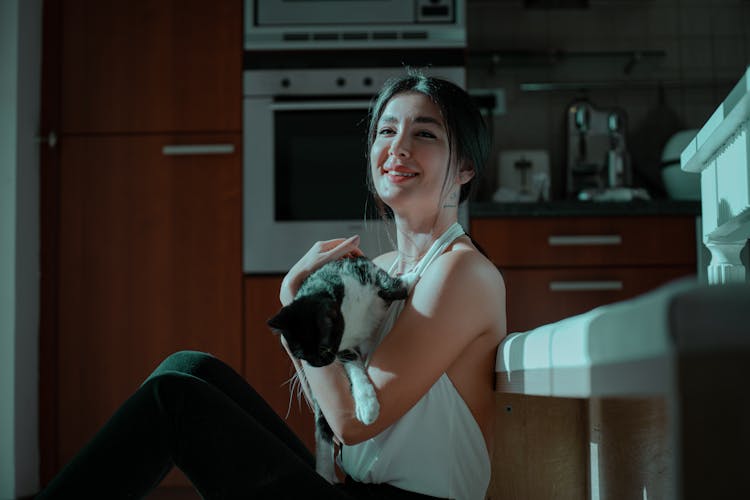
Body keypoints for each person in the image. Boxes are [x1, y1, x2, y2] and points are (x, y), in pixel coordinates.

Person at [37, 72, 507, 500]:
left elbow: (351, 422)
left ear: (466, 167)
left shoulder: (459, 271)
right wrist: (303, 316)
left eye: (424, 133)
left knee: (175, 402)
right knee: (190, 368)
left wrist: (293, 302)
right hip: (353, 485)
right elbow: (332, 400)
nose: (398, 147)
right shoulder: (383, 267)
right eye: (386, 131)